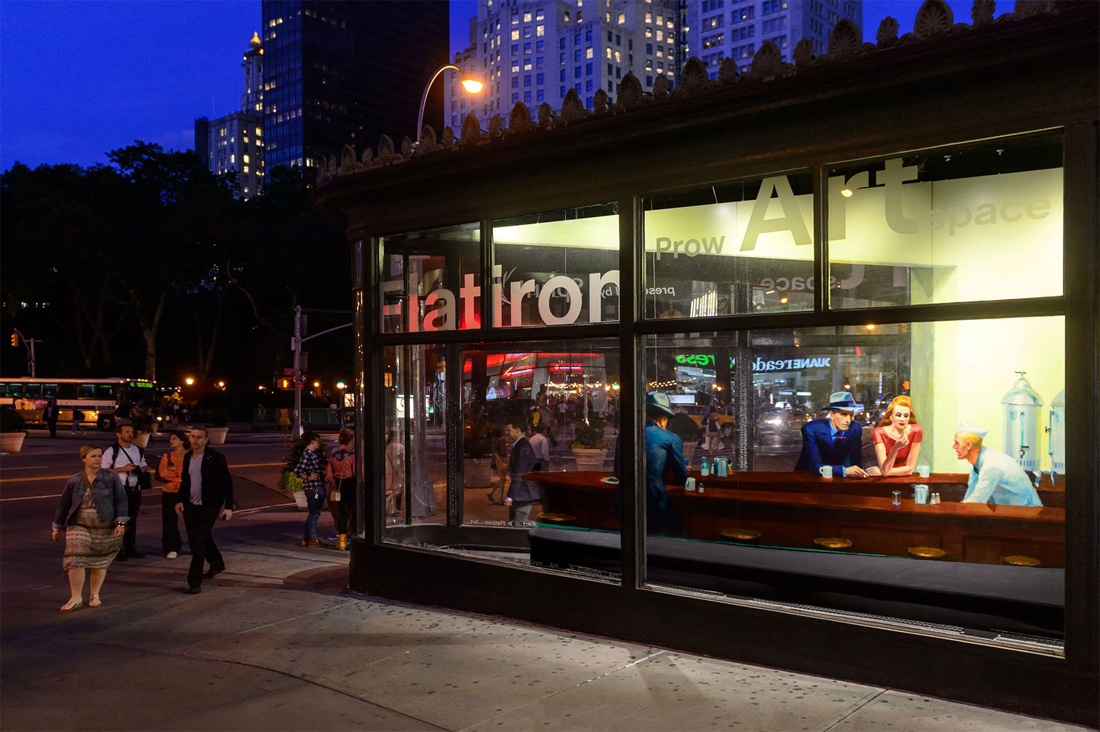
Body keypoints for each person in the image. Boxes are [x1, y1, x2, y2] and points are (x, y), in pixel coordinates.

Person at [52, 446, 129, 613]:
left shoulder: (111, 478)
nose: (98, 459)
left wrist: (121, 523)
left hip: (104, 525)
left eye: (100, 456)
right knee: (74, 558)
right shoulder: (74, 480)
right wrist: (57, 526)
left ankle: (95, 594)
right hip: (78, 525)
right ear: (83, 458)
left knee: (99, 561)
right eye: (93, 456)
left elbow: (121, 501)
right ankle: (76, 597)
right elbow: (64, 505)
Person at [611, 392, 689, 532]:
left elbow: (618, 471)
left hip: (623, 502)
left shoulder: (625, 435)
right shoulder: (672, 439)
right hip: (655, 503)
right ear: (664, 418)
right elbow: (681, 478)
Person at [174, 426, 234, 593]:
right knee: (199, 537)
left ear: (206, 439)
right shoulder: (187, 457)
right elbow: (185, 481)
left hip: (210, 504)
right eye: (193, 437)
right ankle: (216, 563)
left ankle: (194, 581)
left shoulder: (215, 457)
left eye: (199, 437)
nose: (195, 440)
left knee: (198, 541)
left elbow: (227, 483)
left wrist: (228, 507)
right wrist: (180, 500)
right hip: (191, 504)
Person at [953, 423, 1042, 506]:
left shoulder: (991, 464)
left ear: (969, 445)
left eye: (957, 443)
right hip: (1009, 512)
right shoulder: (975, 463)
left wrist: (957, 510)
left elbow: (978, 500)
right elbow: (971, 494)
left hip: (1027, 512)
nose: (954, 446)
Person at [102, 424, 155, 559]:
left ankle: (130, 548)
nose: (130, 434)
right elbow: (102, 471)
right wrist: (122, 469)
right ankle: (116, 550)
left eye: (131, 432)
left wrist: (142, 469)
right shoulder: (112, 451)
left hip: (134, 489)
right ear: (118, 434)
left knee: (132, 519)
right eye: (126, 432)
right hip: (118, 489)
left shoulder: (137, 450)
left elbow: (144, 464)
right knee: (118, 520)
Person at [794, 392, 869, 478]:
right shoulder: (812, 429)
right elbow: (815, 466)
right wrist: (844, 471)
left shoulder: (855, 428)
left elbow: (856, 461)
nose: (848, 420)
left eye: (851, 415)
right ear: (831, 414)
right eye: (843, 414)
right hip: (807, 478)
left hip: (838, 478)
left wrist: (860, 473)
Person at [157, 431, 190, 558]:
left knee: (192, 519)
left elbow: (189, 473)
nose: (171, 441)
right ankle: (171, 547)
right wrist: (178, 476)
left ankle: (197, 545)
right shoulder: (167, 456)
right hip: (169, 491)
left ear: (182, 441)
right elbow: (163, 473)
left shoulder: (189, 455)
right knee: (169, 520)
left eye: (174, 438)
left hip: (187, 491)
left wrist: (175, 472)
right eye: (170, 439)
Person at [872, 396, 923, 476]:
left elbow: (909, 469)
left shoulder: (916, 431)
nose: (902, 419)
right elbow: (885, 471)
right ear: (891, 417)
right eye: (898, 415)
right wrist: (895, 448)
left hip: (905, 479)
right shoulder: (879, 432)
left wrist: (883, 472)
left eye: (906, 416)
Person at [503, 418, 540, 527]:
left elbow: (519, 473)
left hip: (523, 493)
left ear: (517, 430)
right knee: (517, 523)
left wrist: (510, 496)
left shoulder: (522, 447)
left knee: (519, 524)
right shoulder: (521, 445)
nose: (507, 432)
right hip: (523, 492)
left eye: (509, 430)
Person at [294, 431, 328, 547]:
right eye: (317, 441)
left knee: (313, 513)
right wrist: (308, 477)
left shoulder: (314, 454)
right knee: (314, 513)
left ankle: (307, 538)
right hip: (314, 488)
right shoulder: (307, 455)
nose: (319, 443)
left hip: (317, 486)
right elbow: (297, 471)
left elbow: (326, 462)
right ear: (312, 442)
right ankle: (312, 538)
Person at [326, 429, 356, 550]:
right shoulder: (352, 455)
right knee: (354, 513)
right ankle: (354, 539)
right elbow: (357, 472)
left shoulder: (333, 454)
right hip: (351, 484)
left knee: (343, 514)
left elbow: (329, 474)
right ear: (351, 440)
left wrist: (336, 481)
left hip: (340, 484)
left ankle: (341, 543)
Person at [384, 430, 405, 518]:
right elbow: (400, 461)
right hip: (397, 470)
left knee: (394, 489)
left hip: (390, 470)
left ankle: (393, 507)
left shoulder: (389, 446)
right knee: (398, 490)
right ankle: (388, 503)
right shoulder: (399, 447)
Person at [487, 426, 509, 505]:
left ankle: (491, 492)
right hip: (500, 461)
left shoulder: (493, 440)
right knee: (503, 479)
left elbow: (493, 449)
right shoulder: (502, 440)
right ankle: (500, 499)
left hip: (494, 461)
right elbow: (502, 452)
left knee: (502, 479)